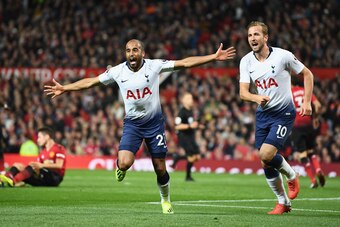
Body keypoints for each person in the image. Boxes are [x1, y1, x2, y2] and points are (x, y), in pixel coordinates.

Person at [43, 39, 236, 214]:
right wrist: (65, 88)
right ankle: (120, 167)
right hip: (133, 125)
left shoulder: (154, 66)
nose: (131, 53)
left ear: (142, 53)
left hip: (154, 124)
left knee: (160, 168)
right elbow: (91, 82)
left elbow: (185, 62)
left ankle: (165, 200)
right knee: (125, 162)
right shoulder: (117, 71)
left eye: (135, 50)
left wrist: (213, 57)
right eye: (128, 50)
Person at [239, 21, 313, 215]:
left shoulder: (283, 56)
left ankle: (291, 174)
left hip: (284, 113)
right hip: (263, 114)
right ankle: (283, 202)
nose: (252, 39)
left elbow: (308, 74)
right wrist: (256, 97)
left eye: (256, 35)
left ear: (265, 37)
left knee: (265, 155)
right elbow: (243, 93)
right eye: (249, 36)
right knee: (265, 162)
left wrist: (306, 102)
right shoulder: (246, 61)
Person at [0, 127, 66, 187]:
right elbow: (37, 169)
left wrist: (41, 165)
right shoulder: (43, 152)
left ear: (47, 137)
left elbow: (59, 165)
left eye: (39, 137)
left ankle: (14, 181)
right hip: (43, 179)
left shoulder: (58, 148)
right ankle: (5, 178)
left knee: (34, 165)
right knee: (17, 165)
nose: (37, 140)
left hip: (55, 178)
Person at [291, 79, 325, 188]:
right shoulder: (306, 91)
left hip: (297, 125)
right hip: (308, 124)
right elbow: (318, 105)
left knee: (302, 155)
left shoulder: (289, 93)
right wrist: (315, 118)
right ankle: (318, 169)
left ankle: (313, 180)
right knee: (311, 151)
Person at [172, 92, 203, 181]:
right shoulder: (181, 112)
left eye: (192, 98)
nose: (191, 100)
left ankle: (177, 157)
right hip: (184, 137)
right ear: (184, 101)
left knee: (197, 157)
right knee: (191, 157)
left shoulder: (190, 111)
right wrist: (190, 126)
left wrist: (198, 125)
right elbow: (177, 126)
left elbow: (191, 123)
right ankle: (188, 177)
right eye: (189, 98)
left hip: (191, 136)